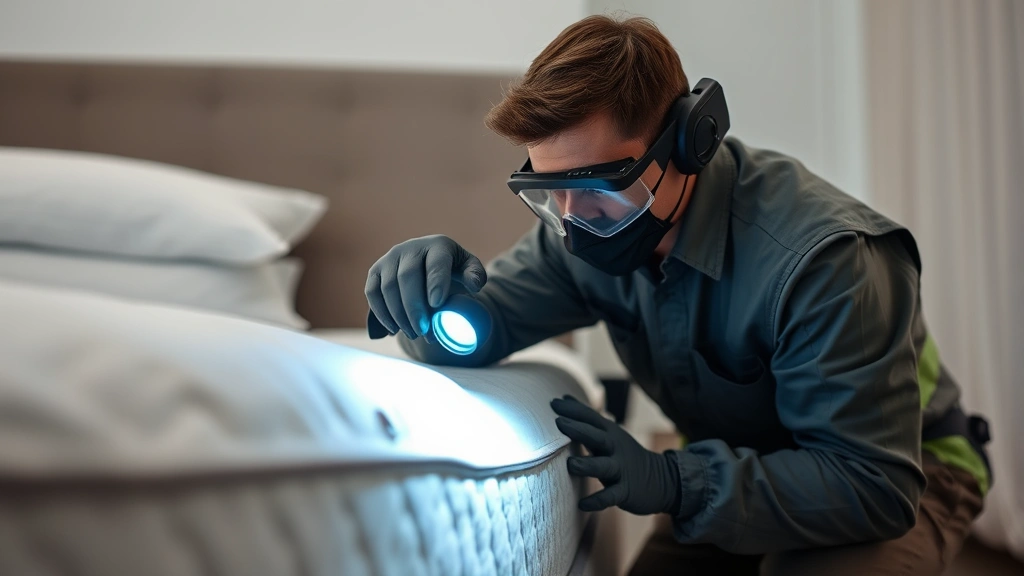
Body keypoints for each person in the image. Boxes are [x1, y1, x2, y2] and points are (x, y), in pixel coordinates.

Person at [364, 15, 991, 575]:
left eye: (603, 188)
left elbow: (871, 483)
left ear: (690, 143)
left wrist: (675, 482)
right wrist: (427, 301)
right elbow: (480, 327)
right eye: (549, 191)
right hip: (740, 470)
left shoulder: (827, 261)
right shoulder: (579, 228)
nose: (574, 220)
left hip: (906, 469)